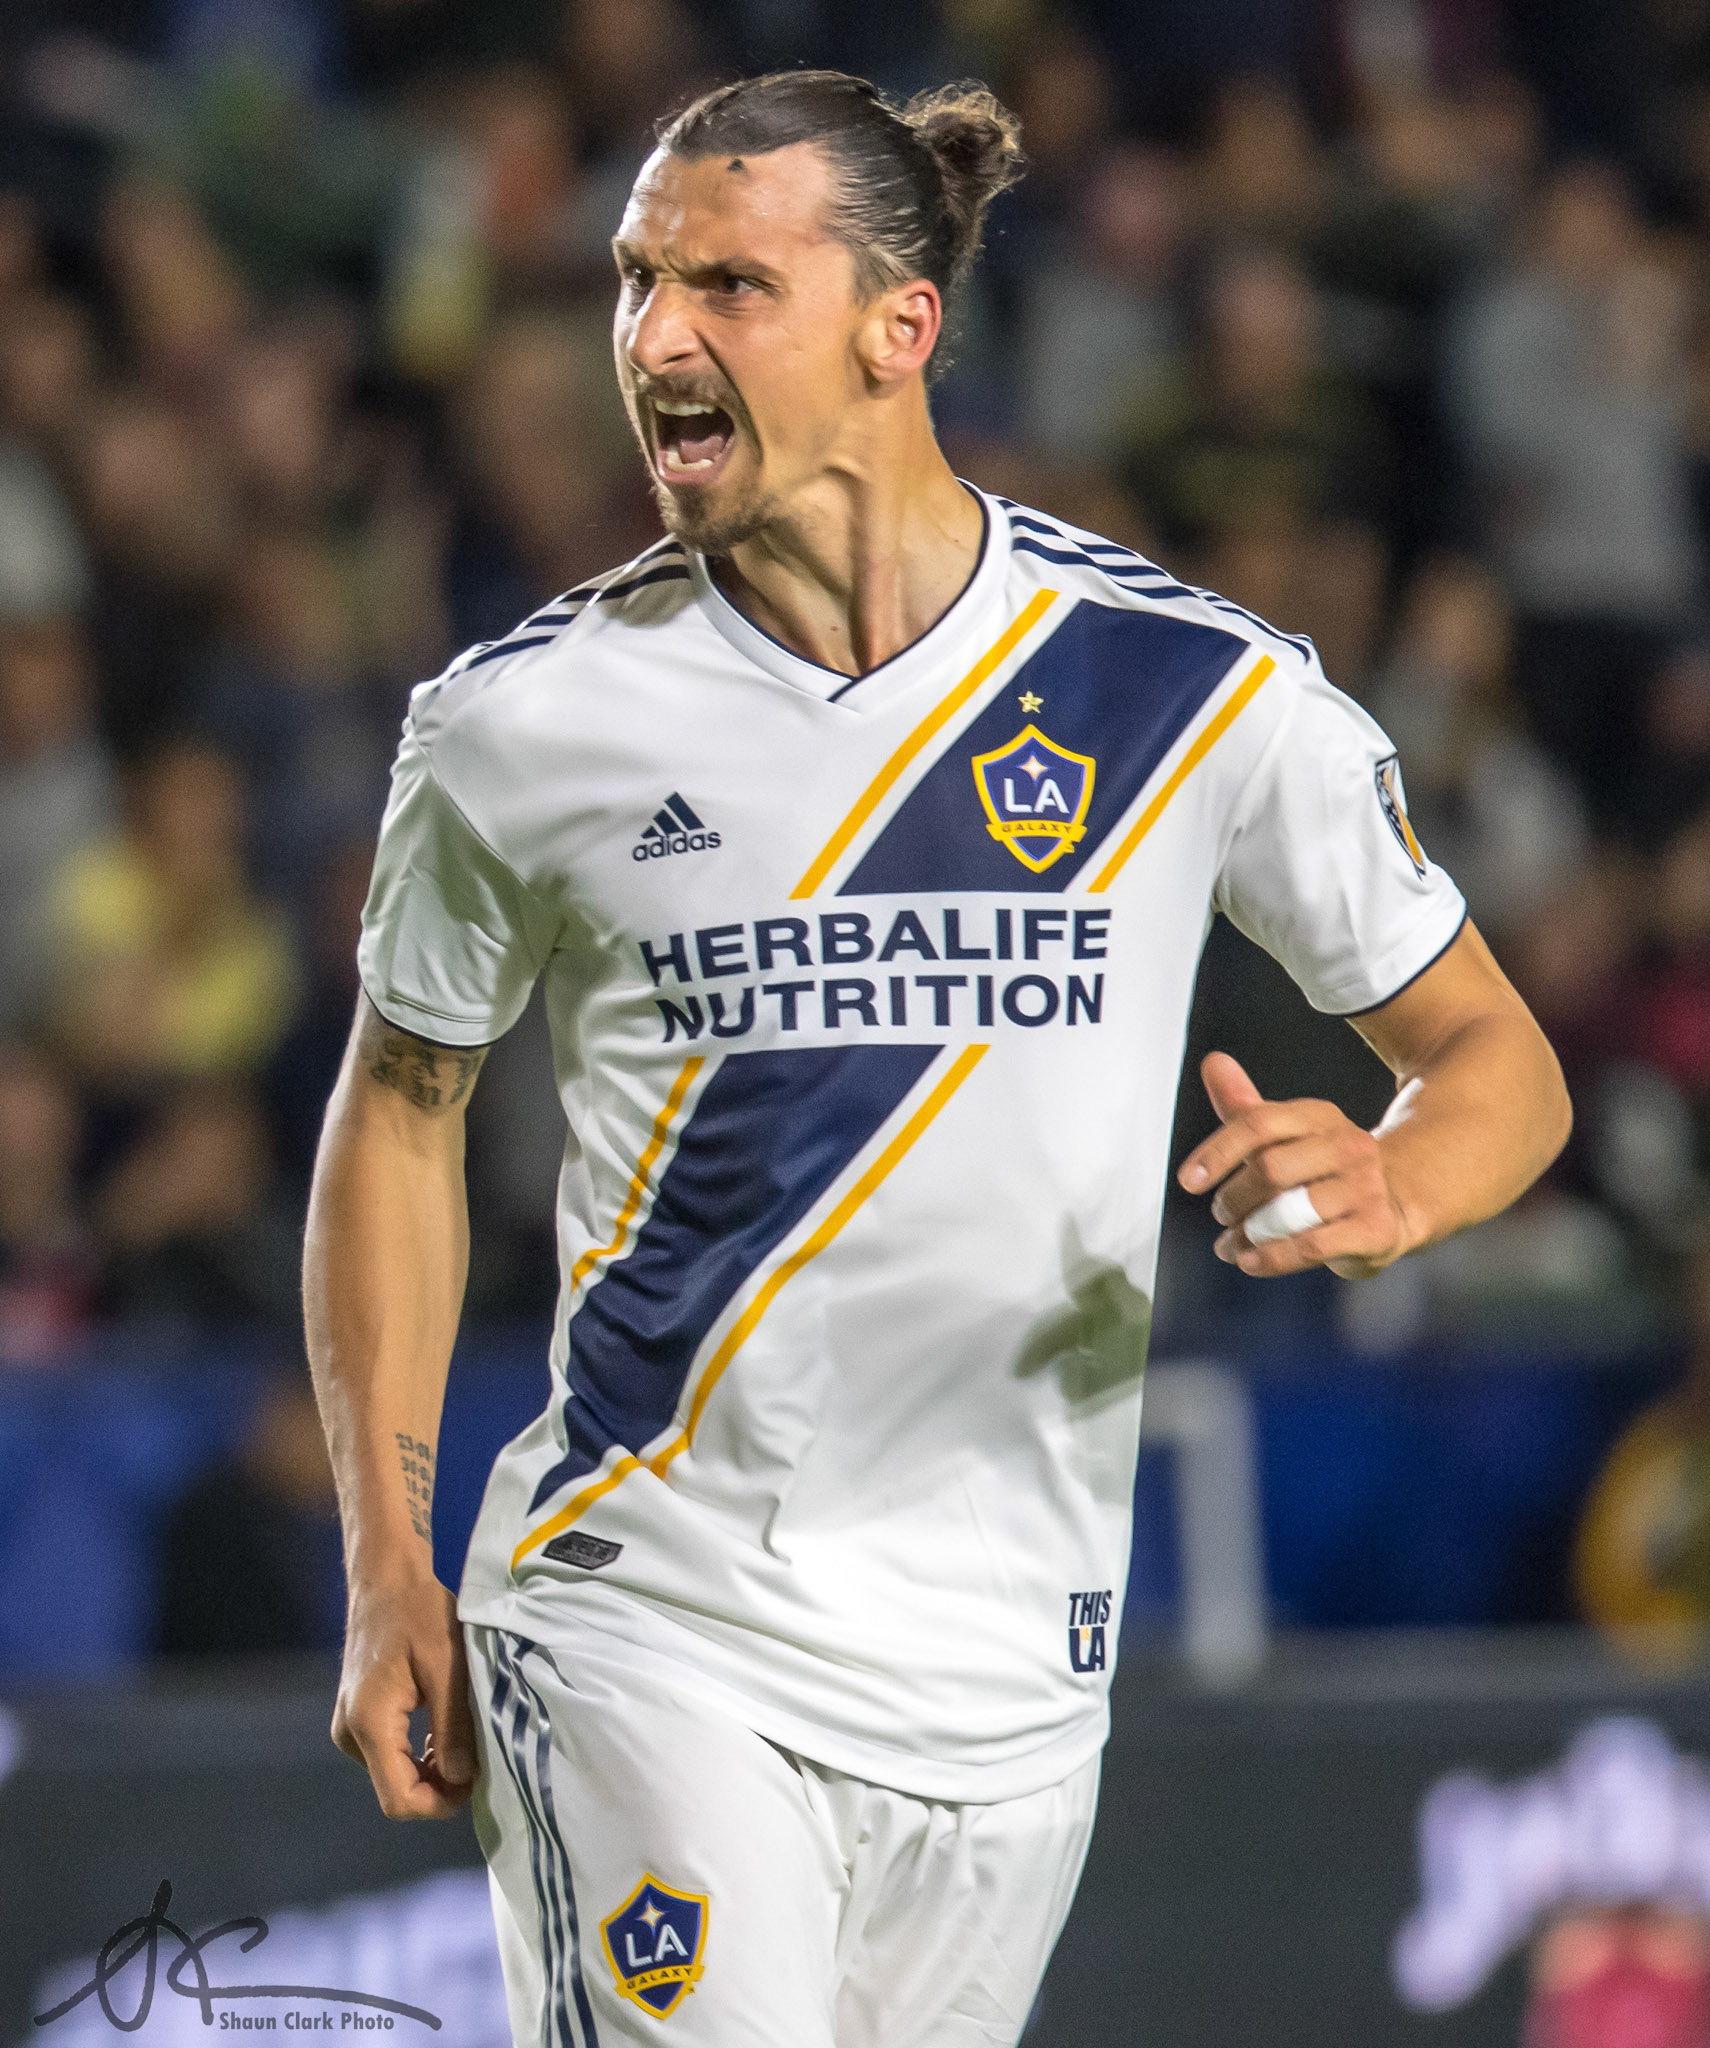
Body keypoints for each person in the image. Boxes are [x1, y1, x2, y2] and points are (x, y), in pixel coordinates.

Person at [305, 70, 1570, 2048]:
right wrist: (390, 1558)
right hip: (652, 1617)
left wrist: (1400, 1174)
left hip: (1012, 1691)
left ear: (900, 326)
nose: (653, 338)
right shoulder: (520, 725)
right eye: (635, 280)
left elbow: (1497, 1057)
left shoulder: (1181, 688)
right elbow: (397, 1114)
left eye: (729, 285)